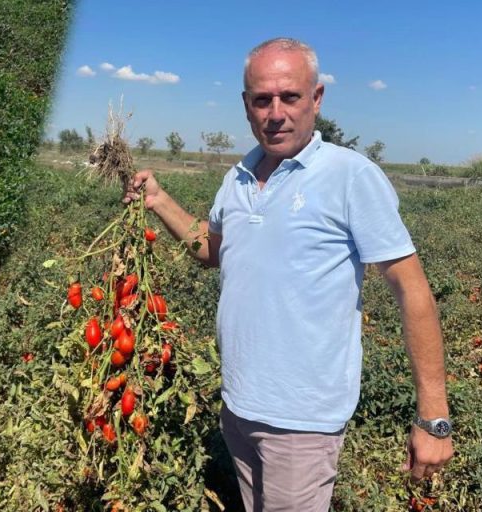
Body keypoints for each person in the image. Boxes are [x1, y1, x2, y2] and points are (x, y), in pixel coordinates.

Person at [123, 38, 453, 510]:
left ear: (316, 98)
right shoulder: (236, 177)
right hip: (237, 407)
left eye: (290, 97)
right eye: (262, 99)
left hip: (302, 423)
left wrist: (433, 418)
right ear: (246, 106)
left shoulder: (351, 176)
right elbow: (213, 248)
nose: (275, 112)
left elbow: (413, 290)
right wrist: (158, 201)